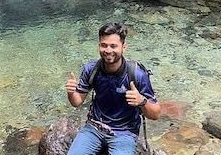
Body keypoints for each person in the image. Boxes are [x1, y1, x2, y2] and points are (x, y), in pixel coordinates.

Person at [66, 22, 161, 155]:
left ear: (124, 47)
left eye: (113, 46)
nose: (108, 50)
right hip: (94, 127)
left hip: (124, 133)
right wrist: (71, 92)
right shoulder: (92, 69)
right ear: (99, 46)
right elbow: (76, 102)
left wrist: (142, 101)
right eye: (104, 45)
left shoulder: (137, 74)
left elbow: (156, 114)